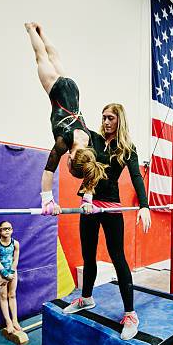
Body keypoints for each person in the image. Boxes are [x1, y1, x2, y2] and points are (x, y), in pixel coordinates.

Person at [62, 103, 151, 341]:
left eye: (110, 118)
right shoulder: (93, 139)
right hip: (89, 204)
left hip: (111, 206)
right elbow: (75, 132)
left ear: (119, 119)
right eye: (103, 117)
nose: (106, 122)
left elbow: (135, 176)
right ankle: (87, 298)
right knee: (88, 255)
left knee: (117, 257)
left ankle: (130, 314)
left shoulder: (127, 148)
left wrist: (144, 205)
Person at [25, 22, 107, 215]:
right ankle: (30, 29)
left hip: (73, 89)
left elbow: (91, 172)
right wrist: (47, 201)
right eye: (69, 167)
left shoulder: (90, 149)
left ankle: (42, 32)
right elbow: (48, 171)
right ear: (69, 158)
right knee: (41, 57)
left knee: (54, 56)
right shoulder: (63, 143)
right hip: (57, 90)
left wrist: (88, 200)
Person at [0, 221, 22, 334]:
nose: (7, 230)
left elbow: (15, 259)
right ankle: (8, 322)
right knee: (3, 296)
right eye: (4, 229)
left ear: (12, 230)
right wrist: (5, 274)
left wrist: (11, 273)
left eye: (9, 228)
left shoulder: (15, 243)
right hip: (1, 273)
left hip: (13, 272)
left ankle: (15, 320)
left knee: (12, 294)